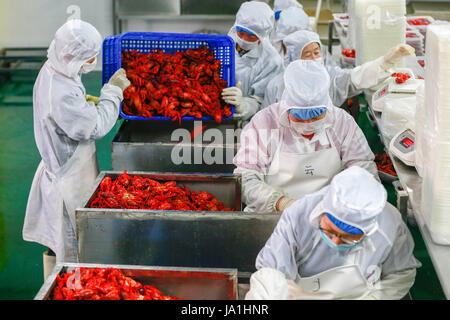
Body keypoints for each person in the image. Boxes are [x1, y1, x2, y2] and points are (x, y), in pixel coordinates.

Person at [23, 19, 131, 278]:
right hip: (69, 181)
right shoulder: (59, 91)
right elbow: (95, 127)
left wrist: (86, 102)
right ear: (70, 55)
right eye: (88, 59)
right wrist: (112, 93)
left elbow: (73, 111)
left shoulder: (54, 68)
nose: (90, 64)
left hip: (66, 166)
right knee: (73, 250)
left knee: (62, 244)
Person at [245, 166, 422, 300]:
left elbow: (401, 275)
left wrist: (373, 297)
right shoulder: (300, 214)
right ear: (321, 213)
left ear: (368, 231)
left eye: (348, 238)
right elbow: (271, 272)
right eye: (329, 231)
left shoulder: (390, 226)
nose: (336, 242)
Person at [233, 59, 380, 213]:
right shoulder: (265, 122)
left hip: (330, 218)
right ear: (288, 106)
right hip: (273, 217)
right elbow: (246, 177)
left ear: (326, 107)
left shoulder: (342, 122)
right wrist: (280, 202)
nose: (307, 124)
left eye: (316, 117)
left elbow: (364, 171)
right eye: (299, 117)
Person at [261, 29, 416, 109]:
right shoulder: (277, 85)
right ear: (295, 59)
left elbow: (356, 77)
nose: (315, 57)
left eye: (317, 52)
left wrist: (386, 61)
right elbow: (265, 122)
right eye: (307, 54)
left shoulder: (331, 76)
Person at [221, 1, 284, 122]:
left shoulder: (272, 61)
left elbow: (262, 101)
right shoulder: (223, 45)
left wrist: (243, 105)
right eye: (241, 32)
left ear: (263, 35)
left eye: (251, 36)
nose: (244, 39)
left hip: (247, 125)